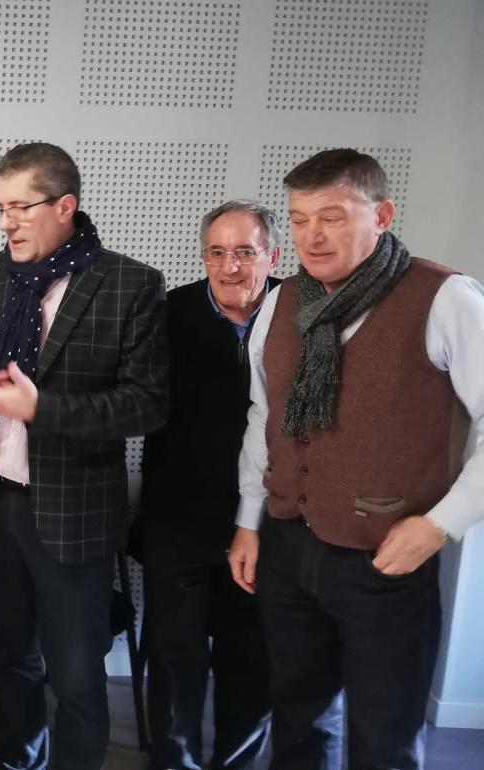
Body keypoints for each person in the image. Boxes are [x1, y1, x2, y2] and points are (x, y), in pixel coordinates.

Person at [226, 148, 484, 770]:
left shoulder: (446, 297)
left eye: (334, 216)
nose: (313, 234)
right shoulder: (282, 303)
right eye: (300, 218)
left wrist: (440, 524)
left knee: (384, 733)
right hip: (289, 545)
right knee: (299, 717)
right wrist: (249, 521)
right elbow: (266, 416)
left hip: (387, 557)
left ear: (383, 214)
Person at [0, 142, 169, 770]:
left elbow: (148, 405)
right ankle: (18, 762)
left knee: (76, 674)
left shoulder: (129, 284)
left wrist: (45, 409)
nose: (6, 223)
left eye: (21, 207)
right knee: (10, 655)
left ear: (65, 206)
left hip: (74, 514)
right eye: (1, 208)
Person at [138, 200, 281, 770]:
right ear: (203, 258)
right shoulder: (168, 314)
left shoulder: (298, 314)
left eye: (245, 252)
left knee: (252, 659)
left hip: (268, 523)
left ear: (272, 256)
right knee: (176, 657)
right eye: (217, 254)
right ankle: (173, 763)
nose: (231, 267)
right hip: (178, 517)